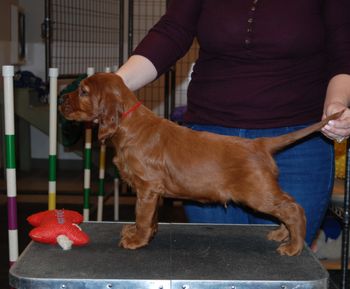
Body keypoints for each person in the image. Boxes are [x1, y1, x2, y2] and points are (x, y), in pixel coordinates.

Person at [115, 0, 350, 246]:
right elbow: (172, 31)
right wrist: (113, 86)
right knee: (217, 261)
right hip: (204, 147)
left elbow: (344, 50)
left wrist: (337, 102)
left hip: (295, 144)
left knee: (283, 268)